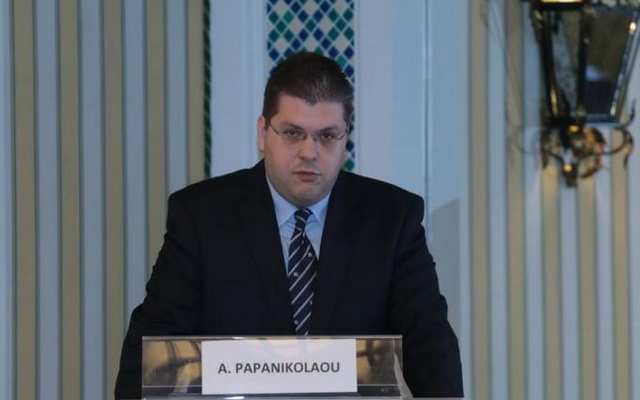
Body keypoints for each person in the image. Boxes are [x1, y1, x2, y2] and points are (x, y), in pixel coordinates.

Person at [115, 52, 463, 399]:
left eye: (327, 136)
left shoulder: (392, 219)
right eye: (293, 133)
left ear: (345, 138)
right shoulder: (201, 216)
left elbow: (430, 344)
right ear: (263, 133)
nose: (309, 152)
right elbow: (151, 352)